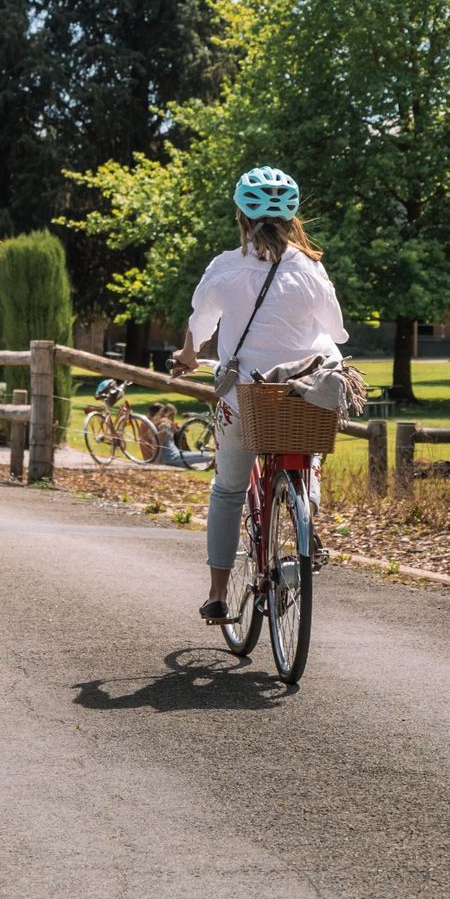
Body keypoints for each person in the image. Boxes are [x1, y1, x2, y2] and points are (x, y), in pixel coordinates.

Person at [169, 166, 347, 627]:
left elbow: (199, 328)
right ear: (292, 219)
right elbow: (337, 330)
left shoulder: (225, 268)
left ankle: (216, 595)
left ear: (240, 216)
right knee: (308, 467)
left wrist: (188, 357)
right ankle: (303, 526)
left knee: (228, 490)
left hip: (247, 397)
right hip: (302, 396)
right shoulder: (310, 269)